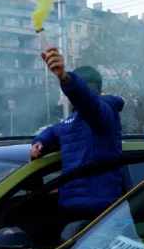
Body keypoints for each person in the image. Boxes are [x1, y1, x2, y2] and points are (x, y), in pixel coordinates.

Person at [31, 46, 124, 227]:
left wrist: (65, 78)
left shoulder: (105, 112)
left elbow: (90, 104)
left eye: (89, 89)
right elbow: (54, 130)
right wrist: (40, 142)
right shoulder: (71, 120)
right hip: (70, 208)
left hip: (98, 211)